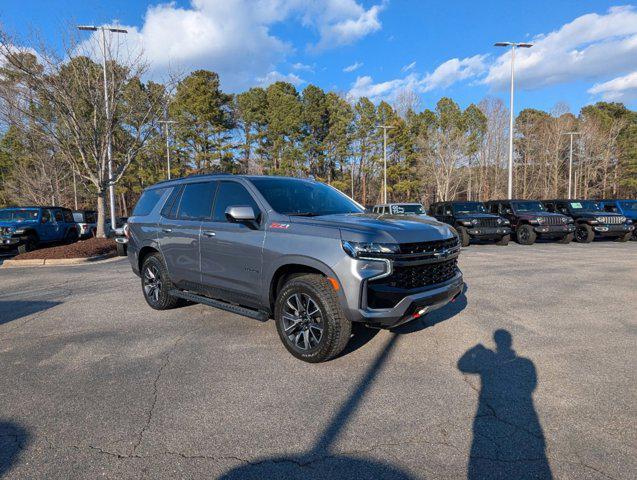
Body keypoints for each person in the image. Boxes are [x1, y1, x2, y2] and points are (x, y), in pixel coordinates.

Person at [458, 329, 552, 480]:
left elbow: (462, 366)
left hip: (493, 407)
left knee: (481, 449)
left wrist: (474, 349)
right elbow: (531, 385)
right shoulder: (525, 362)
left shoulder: (502, 359)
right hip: (528, 410)